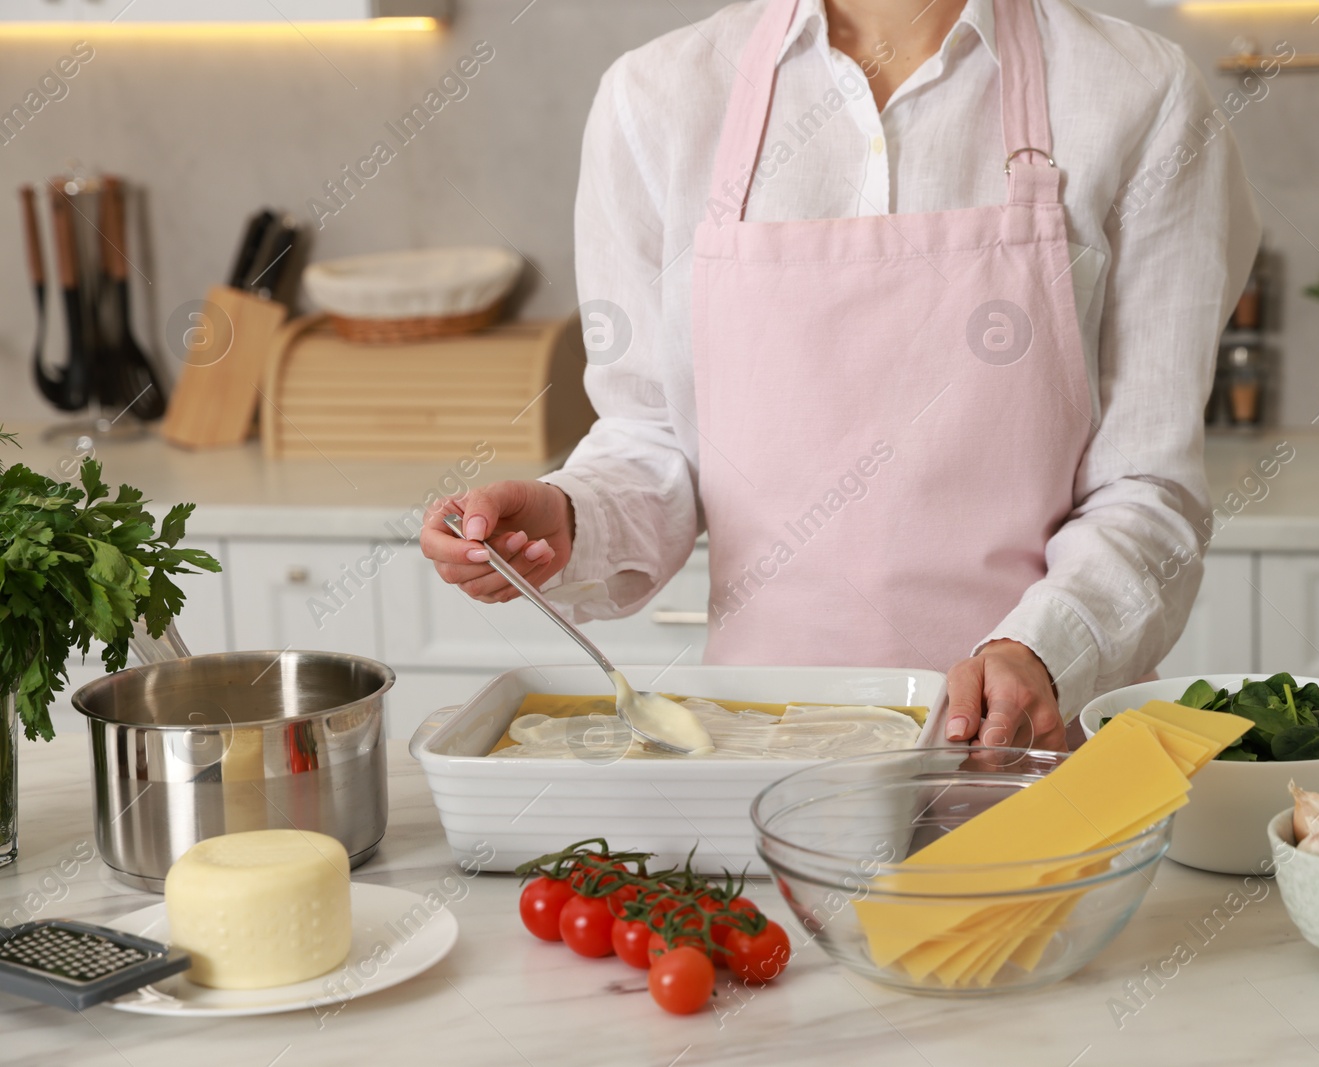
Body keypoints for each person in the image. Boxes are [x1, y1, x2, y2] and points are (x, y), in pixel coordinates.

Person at [422, 0, 1260, 751]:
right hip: (752, 755)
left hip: (1021, 762)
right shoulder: (656, 99)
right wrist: (569, 515)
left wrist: (1041, 649)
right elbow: (655, 440)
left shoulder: (1140, 93)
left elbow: (1147, 485)